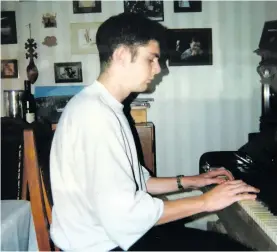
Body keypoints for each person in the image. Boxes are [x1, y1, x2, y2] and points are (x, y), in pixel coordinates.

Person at [50, 12, 259, 251]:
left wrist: (193, 181)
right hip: (102, 245)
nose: (159, 69)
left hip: (108, 237)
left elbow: (140, 182)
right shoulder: (96, 116)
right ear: (121, 55)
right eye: (151, 59)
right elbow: (127, 215)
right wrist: (205, 201)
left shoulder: (104, 107)